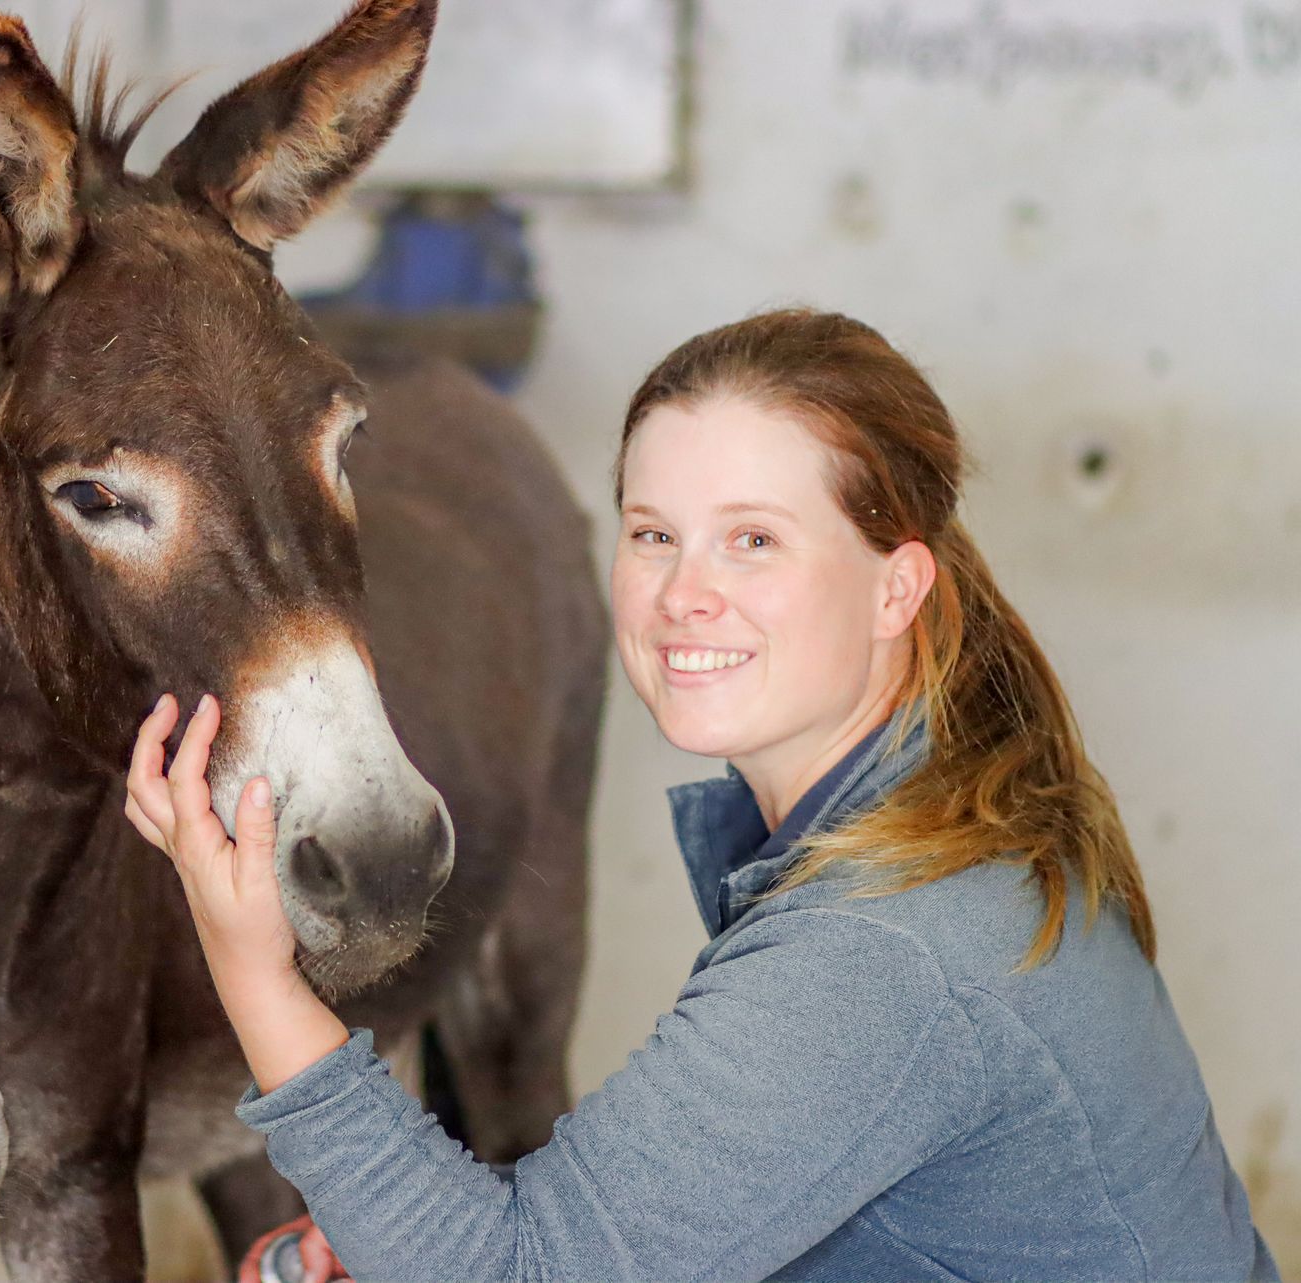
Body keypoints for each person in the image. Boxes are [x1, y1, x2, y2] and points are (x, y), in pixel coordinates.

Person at [125, 309, 1279, 1282]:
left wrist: (253, 967)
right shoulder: (933, 826)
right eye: (655, 533)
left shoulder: (880, 950)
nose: (685, 593)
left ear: (897, 587)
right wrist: (404, 1230)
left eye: (753, 541)